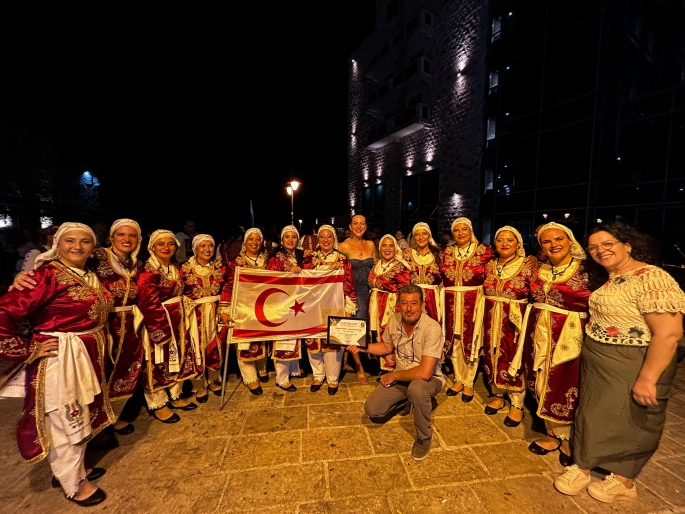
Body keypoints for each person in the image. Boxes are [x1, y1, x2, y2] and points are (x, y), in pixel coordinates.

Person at [554, 223, 685, 503]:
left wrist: (648, 377)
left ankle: (625, 478)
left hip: (634, 359)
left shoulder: (652, 278)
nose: (600, 250)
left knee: (636, 416)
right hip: (600, 359)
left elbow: (669, 333)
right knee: (594, 412)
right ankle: (584, 464)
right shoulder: (609, 278)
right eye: (593, 247)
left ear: (627, 244)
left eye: (608, 243)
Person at [0, 222, 113, 506]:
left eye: (85, 241)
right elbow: (4, 313)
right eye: (70, 240)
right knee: (66, 419)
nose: (77, 246)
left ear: (93, 247)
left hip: (85, 355)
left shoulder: (88, 274)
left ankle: (69, 470)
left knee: (79, 414)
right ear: (57, 244)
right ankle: (74, 484)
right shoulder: (45, 276)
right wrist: (28, 348)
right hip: (61, 358)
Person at [11, 219, 146, 443]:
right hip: (99, 325)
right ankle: (92, 427)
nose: (126, 240)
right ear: (110, 238)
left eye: (132, 236)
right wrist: (25, 276)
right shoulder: (96, 256)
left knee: (124, 372)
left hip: (127, 326)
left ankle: (108, 419)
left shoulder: (137, 264)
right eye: (121, 234)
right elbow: (60, 266)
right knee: (94, 377)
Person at [510, 222, 591, 467]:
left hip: (569, 336)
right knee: (540, 379)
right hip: (538, 332)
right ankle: (551, 433)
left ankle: (567, 438)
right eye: (547, 241)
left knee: (565, 384)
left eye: (559, 239)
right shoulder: (538, 270)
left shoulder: (587, 271)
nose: (553, 244)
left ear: (570, 241)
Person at [351, 284, 445, 461]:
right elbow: (386, 346)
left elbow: (425, 373)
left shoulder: (432, 328)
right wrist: (362, 347)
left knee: (417, 388)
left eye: (414, 303)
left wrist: (393, 375)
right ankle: (409, 401)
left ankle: (424, 437)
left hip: (429, 379)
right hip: (404, 376)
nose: (409, 309)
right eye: (404, 303)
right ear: (399, 305)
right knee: (373, 410)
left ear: (422, 305)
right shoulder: (393, 320)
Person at [137, 229, 199, 423]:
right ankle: (159, 403)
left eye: (170, 244)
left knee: (178, 356)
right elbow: (148, 303)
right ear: (152, 247)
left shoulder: (174, 267)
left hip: (178, 319)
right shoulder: (148, 271)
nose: (166, 247)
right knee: (157, 362)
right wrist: (159, 329)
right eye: (161, 244)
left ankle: (175, 396)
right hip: (160, 320)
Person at [481, 226, 533, 427]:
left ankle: (517, 403)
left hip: (514, 322)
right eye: (500, 239)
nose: (504, 243)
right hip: (490, 317)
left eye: (509, 240)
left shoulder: (528, 266)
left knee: (513, 356)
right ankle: (497, 394)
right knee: (491, 354)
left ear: (518, 243)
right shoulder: (489, 265)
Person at [441, 217, 495, 402]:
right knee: (454, 340)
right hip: (450, 302)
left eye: (464, 229)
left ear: (471, 231)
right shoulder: (447, 252)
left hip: (473, 303)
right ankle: (458, 378)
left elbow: (500, 268)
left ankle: (469, 382)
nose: (460, 233)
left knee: (472, 342)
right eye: (456, 230)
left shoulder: (484, 251)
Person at [302, 225, 357, 395]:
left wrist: (349, 309)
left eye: (329, 237)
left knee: (333, 344)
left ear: (334, 239)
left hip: (335, 307)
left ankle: (333, 378)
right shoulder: (309, 259)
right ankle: (318, 375)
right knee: (313, 342)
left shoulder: (342, 260)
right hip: (313, 308)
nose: (326, 240)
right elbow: (303, 284)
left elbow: (349, 285)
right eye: (322, 236)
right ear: (318, 239)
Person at [220, 228, 271, 395]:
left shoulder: (267, 261)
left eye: (257, 239)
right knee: (245, 344)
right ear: (244, 243)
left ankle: (262, 368)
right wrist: (224, 310)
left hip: (263, 307)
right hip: (243, 309)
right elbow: (228, 287)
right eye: (251, 239)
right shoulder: (236, 263)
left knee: (263, 340)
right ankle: (250, 377)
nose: (254, 243)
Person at [180, 234, 226, 403]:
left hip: (215, 311)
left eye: (210, 246)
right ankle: (199, 385)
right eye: (202, 246)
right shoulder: (184, 269)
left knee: (215, 346)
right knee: (196, 347)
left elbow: (227, 287)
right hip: (195, 313)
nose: (207, 249)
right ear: (195, 249)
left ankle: (214, 379)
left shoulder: (220, 267)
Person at [265, 225, 308, 391]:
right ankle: (281, 378)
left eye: (293, 237)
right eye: (287, 237)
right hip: (281, 304)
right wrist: (289, 272)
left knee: (294, 337)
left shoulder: (298, 255)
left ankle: (293, 370)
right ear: (281, 240)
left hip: (295, 303)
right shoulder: (276, 258)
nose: (290, 240)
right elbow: (270, 280)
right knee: (283, 340)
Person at [338, 214, 377, 384]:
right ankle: (359, 367)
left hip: (369, 292)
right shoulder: (343, 246)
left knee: (368, 327)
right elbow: (337, 267)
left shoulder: (370, 245)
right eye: (355, 223)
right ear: (350, 226)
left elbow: (376, 267)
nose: (359, 226)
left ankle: (351, 359)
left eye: (362, 223)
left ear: (366, 226)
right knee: (354, 328)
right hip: (352, 293)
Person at [368, 234, 412, 373]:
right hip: (375, 303)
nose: (387, 248)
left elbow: (404, 291)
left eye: (391, 245)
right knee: (377, 334)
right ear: (379, 248)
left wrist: (400, 312)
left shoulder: (400, 267)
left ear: (395, 248)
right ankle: (381, 365)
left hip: (390, 305)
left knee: (391, 334)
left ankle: (393, 367)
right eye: (384, 245)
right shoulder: (377, 264)